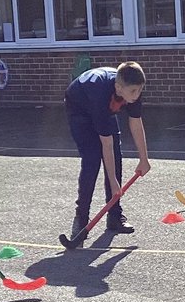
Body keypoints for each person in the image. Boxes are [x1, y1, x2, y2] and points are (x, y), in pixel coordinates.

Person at [63, 62, 152, 244]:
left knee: (117, 157)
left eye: (139, 90)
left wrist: (144, 159)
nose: (136, 95)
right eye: (133, 91)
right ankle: (81, 218)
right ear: (119, 88)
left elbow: (136, 123)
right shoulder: (100, 94)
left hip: (105, 110)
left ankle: (114, 216)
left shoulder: (132, 89)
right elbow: (106, 144)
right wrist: (113, 182)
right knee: (92, 159)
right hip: (80, 110)